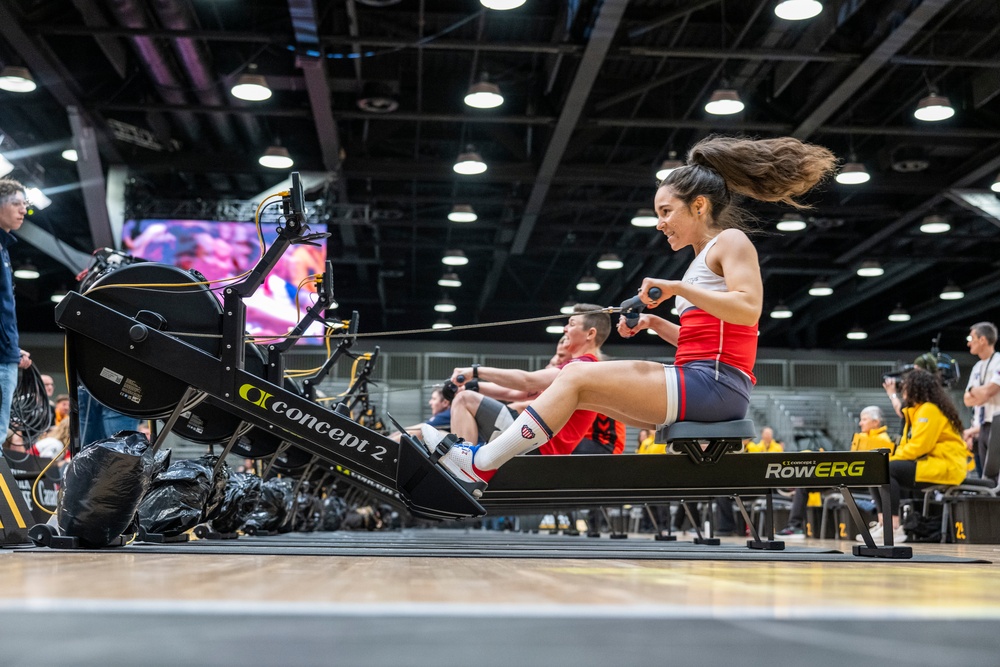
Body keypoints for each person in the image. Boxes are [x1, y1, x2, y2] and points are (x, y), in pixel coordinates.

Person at [427, 135, 837, 485]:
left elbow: (748, 312)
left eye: (665, 212)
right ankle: (494, 462)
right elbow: (714, 341)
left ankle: (480, 464)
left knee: (574, 375)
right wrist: (657, 322)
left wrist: (676, 289)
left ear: (697, 206)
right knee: (578, 392)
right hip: (706, 379)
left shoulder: (730, 241)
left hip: (715, 387)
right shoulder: (700, 259)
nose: (659, 223)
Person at [444, 304, 613, 454]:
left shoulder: (583, 366)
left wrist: (475, 371)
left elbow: (527, 381)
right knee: (466, 400)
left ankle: (463, 468)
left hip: (538, 442)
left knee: (464, 400)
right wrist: (472, 385)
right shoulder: (581, 365)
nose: (565, 329)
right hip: (535, 438)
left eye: (571, 324)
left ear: (590, 334)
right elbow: (519, 391)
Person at [868, 368, 972, 543]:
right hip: (929, 463)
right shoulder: (914, 412)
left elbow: (919, 447)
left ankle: (893, 528)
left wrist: (890, 460)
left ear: (916, 388)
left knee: (886, 469)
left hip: (945, 466)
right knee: (877, 469)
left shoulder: (929, 410)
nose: (903, 390)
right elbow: (906, 445)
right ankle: (883, 523)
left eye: (906, 386)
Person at [779, 406, 894, 538]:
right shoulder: (861, 437)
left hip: (860, 481)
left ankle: (795, 526)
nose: (860, 423)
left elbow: (873, 467)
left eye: (864, 419)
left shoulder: (883, 440)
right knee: (804, 485)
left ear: (876, 422)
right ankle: (795, 527)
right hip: (848, 477)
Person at [0, 178, 33, 439]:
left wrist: (12, 347)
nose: (23, 210)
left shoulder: (4, 247)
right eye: (16, 204)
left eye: (25, 205)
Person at [961, 322, 1000, 479]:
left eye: (972, 338)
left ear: (982, 340)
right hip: (981, 428)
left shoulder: (998, 360)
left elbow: (991, 390)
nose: (969, 343)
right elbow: (966, 400)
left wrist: (976, 393)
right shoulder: (977, 366)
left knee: (997, 475)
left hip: (997, 424)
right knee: (985, 477)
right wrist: (977, 393)